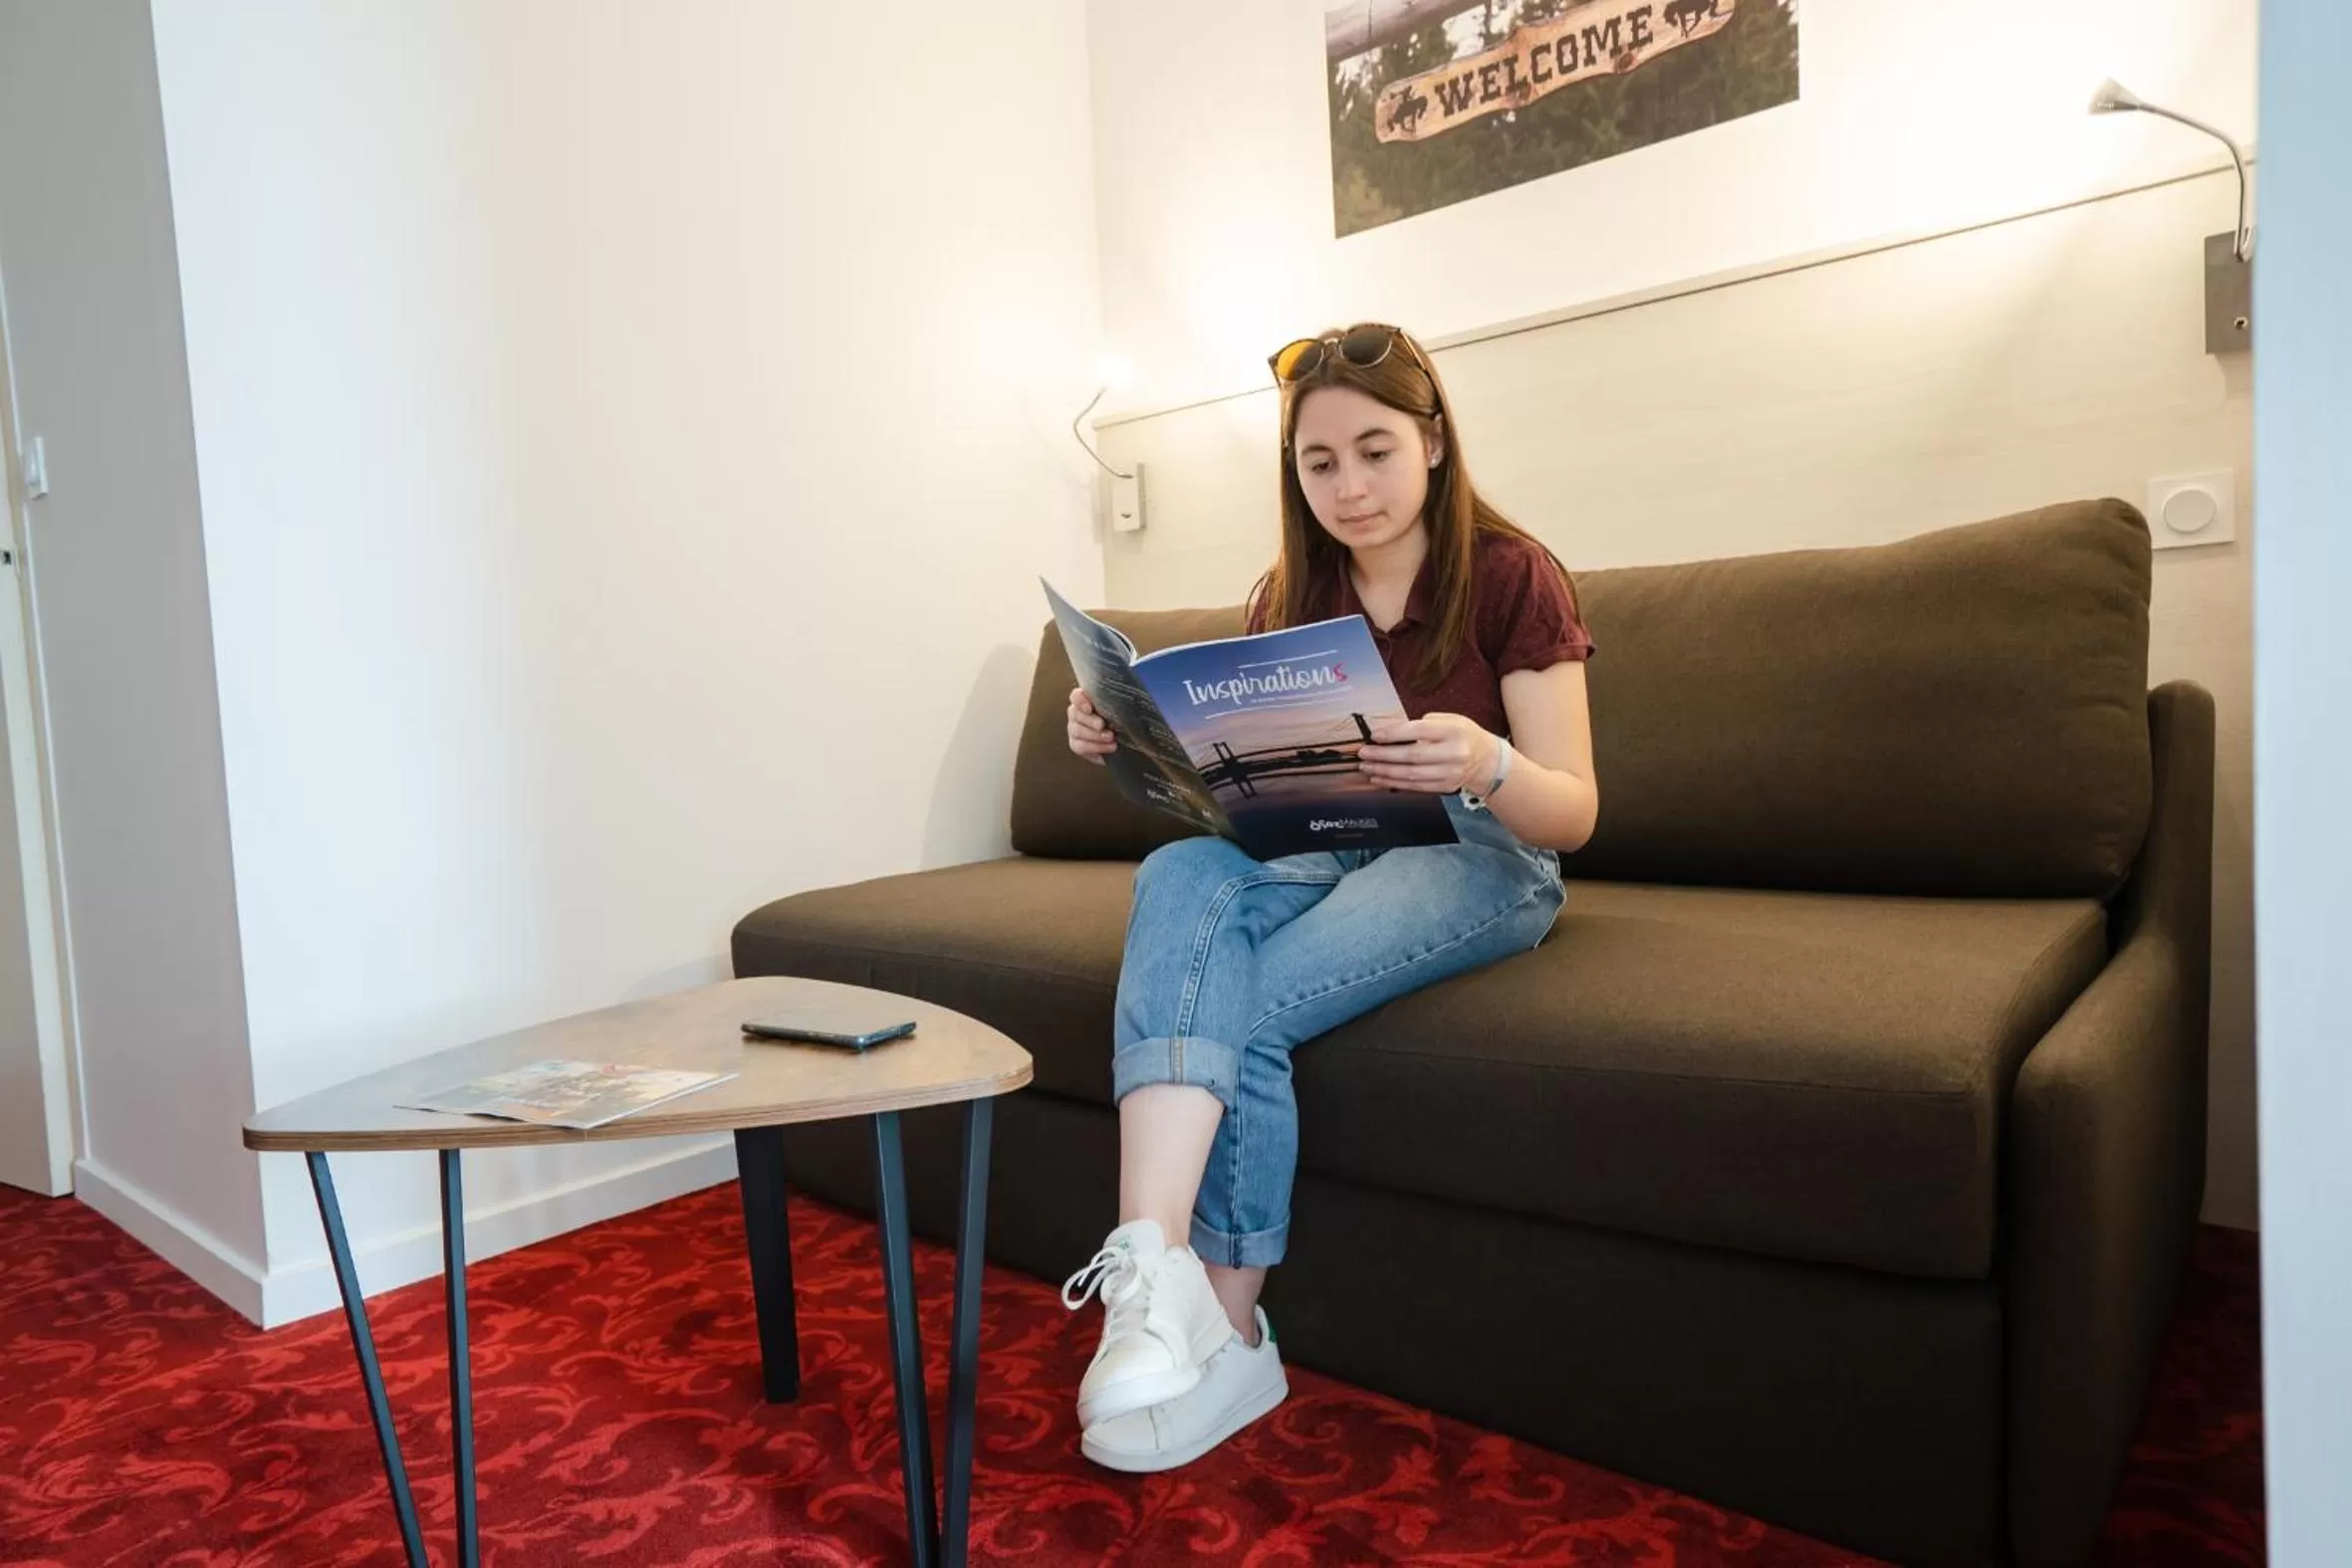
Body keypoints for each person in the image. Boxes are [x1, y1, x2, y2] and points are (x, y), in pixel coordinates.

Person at [1058, 323, 1599, 1472]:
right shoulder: (1289, 593)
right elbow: (1247, 791)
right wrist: (1120, 738)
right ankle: (1155, 1275)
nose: (1349, 488)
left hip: (1483, 851)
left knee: (1243, 1005)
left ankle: (1232, 1324)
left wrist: (1482, 762)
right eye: (1319, 464)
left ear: (1434, 443)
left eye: (1375, 451)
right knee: (1180, 869)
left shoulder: (1512, 575)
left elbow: (1575, 810)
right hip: (1331, 835)